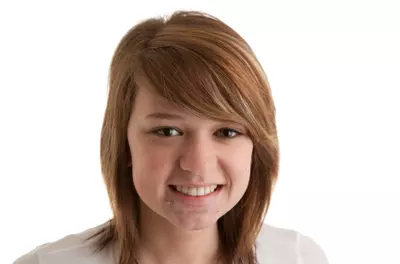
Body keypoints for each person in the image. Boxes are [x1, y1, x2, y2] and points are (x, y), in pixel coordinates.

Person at [13, 10, 329, 264]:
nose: (197, 164)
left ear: (257, 147)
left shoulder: (298, 257)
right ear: (123, 143)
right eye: (168, 131)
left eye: (227, 132)